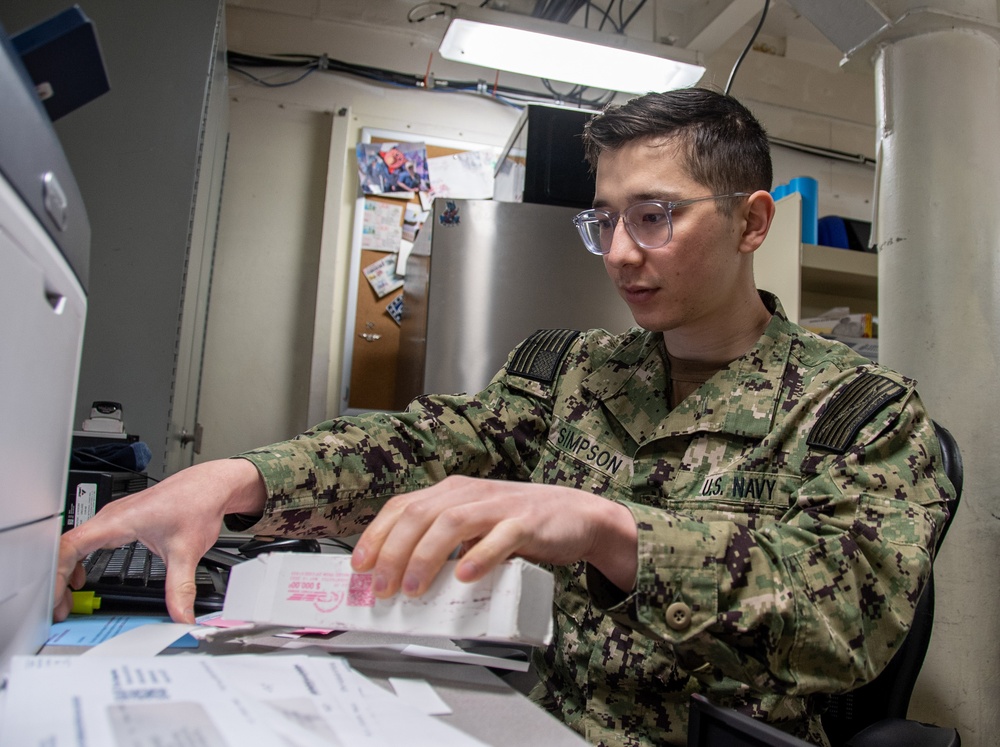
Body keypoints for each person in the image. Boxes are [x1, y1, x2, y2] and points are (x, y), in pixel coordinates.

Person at [55, 88, 954, 746]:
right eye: (604, 221)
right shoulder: (575, 369)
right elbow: (423, 446)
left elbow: (847, 619)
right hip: (519, 716)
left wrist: (609, 529)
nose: (621, 254)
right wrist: (242, 479)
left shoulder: (861, 412)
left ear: (752, 221)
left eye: (655, 217)